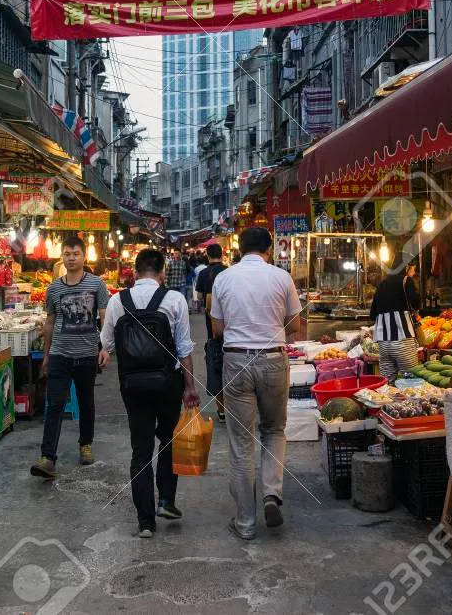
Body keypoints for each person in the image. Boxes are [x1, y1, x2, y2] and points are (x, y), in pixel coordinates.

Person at [208, 227, 305, 540]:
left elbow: (217, 329)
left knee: (241, 443)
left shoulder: (223, 279)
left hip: (236, 360)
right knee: (274, 429)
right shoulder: (281, 277)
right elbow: (295, 327)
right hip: (273, 358)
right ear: (269, 249)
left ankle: (245, 524)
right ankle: (270, 495)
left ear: (239, 249)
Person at [99, 248, 199, 537]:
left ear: (134, 270)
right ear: (162, 271)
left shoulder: (118, 301)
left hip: (132, 385)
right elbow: (184, 349)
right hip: (168, 383)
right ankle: (166, 500)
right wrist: (190, 387)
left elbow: (106, 343)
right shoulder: (174, 299)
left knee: (140, 449)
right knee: (168, 440)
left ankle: (145, 522)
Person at [32, 235, 111, 478]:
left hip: (87, 354)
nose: (71, 258)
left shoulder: (97, 284)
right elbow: (50, 321)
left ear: (84, 256)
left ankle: (85, 444)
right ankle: (48, 458)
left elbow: (104, 317)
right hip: (59, 355)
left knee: (86, 403)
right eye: (67, 254)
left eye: (75, 253)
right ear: (62, 257)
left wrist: (105, 347)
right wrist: (46, 354)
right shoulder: (53, 288)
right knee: (54, 404)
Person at [194, 243, 230, 421]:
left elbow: (200, 297)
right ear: (222, 254)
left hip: (212, 327)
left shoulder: (203, 274)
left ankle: (221, 410)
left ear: (207, 255)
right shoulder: (229, 272)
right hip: (231, 325)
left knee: (216, 365)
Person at [370, 262, 421, 380]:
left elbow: (373, 314)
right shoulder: (406, 280)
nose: (413, 272)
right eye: (413, 269)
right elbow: (417, 302)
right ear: (407, 267)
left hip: (383, 343)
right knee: (409, 380)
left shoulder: (382, 284)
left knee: (387, 381)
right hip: (402, 340)